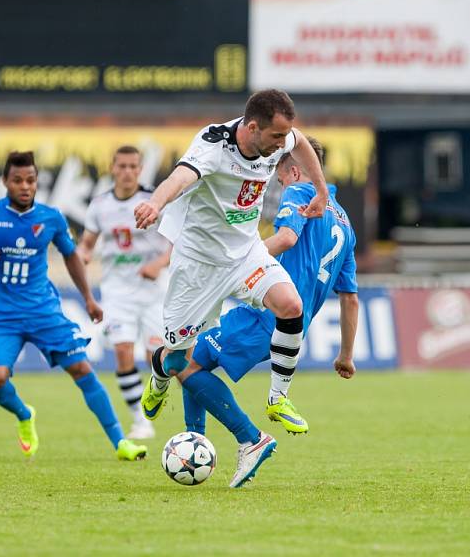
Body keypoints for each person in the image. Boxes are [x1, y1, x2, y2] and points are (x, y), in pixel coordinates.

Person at [134, 89, 330, 444]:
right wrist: (155, 203)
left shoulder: (281, 138)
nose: (282, 143)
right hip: (199, 264)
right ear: (252, 127)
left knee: (291, 305)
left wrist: (321, 191)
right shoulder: (212, 146)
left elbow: (300, 143)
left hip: (246, 254)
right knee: (178, 358)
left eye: (285, 135)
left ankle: (277, 398)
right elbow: (179, 178)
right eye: (275, 136)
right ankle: (159, 376)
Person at [177, 137, 358, 487]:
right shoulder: (344, 221)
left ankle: (250, 438)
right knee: (195, 355)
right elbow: (349, 297)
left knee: (184, 364)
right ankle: (193, 443)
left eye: (278, 176)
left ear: (293, 170)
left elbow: (287, 237)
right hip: (289, 327)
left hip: (267, 316)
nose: (277, 184)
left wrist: (238, 261)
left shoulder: (299, 193)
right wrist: (346, 355)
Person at [0, 151, 147, 461]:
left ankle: (121, 442)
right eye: (17, 180)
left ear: (37, 182)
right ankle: (25, 414)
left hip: (44, 313)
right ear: (5, 182)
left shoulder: (51, 218)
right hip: (3, 317)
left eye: (30, 180)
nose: (24, 186)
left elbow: (71, 255)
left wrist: (88, 298)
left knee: (81, 368)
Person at [77, 145, 171, 440]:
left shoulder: (154, 201)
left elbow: (178, 240)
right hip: (117, 292)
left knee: (156, 356)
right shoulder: (100, 205)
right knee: (122, 351)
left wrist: (158, 263)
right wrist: (80, 256)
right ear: (112, 168)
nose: (128, 172)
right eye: (122, 166)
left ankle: (154, 400)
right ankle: (140, 419)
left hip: (155, 290)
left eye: (133, 166)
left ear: (140, 169)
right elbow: (87, 244)